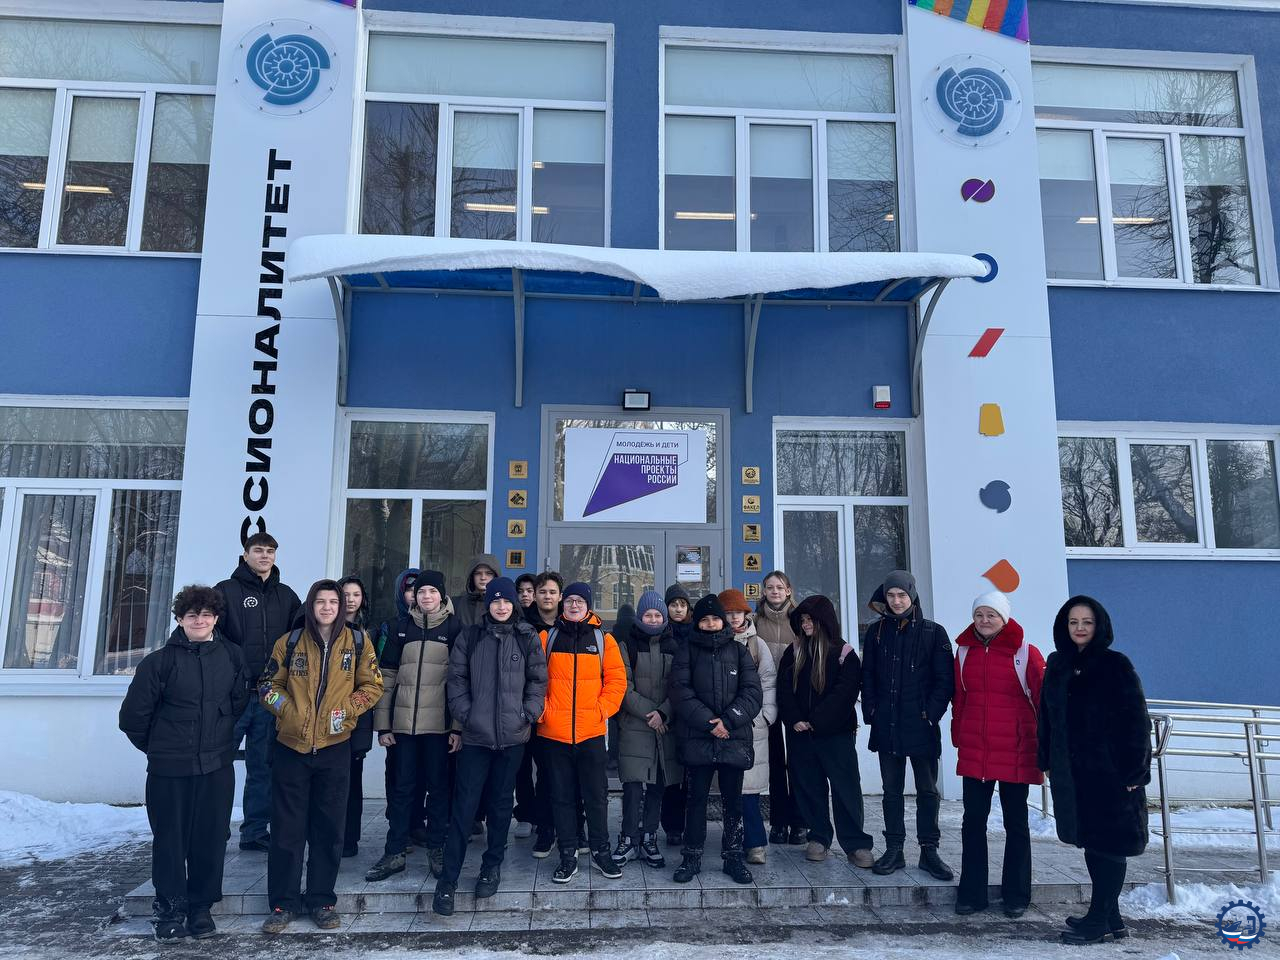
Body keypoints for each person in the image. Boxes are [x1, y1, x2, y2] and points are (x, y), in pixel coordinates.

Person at [119, 585, 251, 942]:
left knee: (211, 838)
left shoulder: (232, 657)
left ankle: (201, 908)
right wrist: (161, 748)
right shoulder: (158, 663)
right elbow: (133, 718)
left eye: (206, 615)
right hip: (169, 770)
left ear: (216, 618)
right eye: (192, 615)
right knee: (170, 841)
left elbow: (238, 703)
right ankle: (169, 909)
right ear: (180, 619)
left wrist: (218, 741)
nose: (200, 621)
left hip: (216, 766)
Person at [258, 580, 382, 933]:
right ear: (311, 605)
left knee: (328, 829)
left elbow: (373, 685)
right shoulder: (289, 642)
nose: (327, 607)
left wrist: (347, 711)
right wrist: (288, 712)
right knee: (287, 829)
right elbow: (267, 686)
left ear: (342, 607)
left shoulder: (358, 642)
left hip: (334, 747)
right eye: (320, 601)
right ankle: (283, 903)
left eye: (333, 602)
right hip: (291, 747)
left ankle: (321, 900)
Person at [432, 578, 548, 916]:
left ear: (515, 604)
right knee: (464, 808)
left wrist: (527, 714)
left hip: (512, 738)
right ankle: (448, 880)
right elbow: (456, 680)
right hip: (476, 737)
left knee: (500, 806)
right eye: (495, 601)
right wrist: (467, 715)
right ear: (488, 604)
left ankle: (491, 866)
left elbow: (538, 681)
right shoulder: (471, 636)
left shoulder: (526, 637)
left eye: (506, 601)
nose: (501, 606)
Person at [1039, 596, 1151, 945]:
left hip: (1111, 772)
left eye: (1087, 622)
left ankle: (1099, 919)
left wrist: (1135, 771)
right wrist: (1046, 759)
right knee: (1091, 841)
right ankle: (1110, 916)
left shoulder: (1115, 665)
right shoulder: (1058, 664)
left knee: (1110, 843)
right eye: (1073, 622)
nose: (1080, 628)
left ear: (1099, 625)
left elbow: (1136, 720)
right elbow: (1047, 718)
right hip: (1072, 774)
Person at [952, 590, 1045, 918]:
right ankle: (971, 894)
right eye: (979, 615)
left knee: (1016, 822)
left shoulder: (1025, 653)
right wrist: (958, 736)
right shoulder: (964, 652)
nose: (984, 620)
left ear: (1004, 618)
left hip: (1016, 750)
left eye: (991, 615)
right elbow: (960, 699)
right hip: (976, 750)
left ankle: (1016, 895)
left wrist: (1046, 746)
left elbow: (1043, 701)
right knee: (972, 822)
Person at [366, 571, 461, 883]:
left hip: (439, 729)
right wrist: (383, 726)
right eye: (421, 592)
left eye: (432, 591)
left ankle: (437, 849)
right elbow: (386, 677)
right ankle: (394, 851)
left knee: (439, 790)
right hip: (403, 727)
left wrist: (457, 728)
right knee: (402, 789)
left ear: (442, 595)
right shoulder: (400, 627)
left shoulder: (454, 628)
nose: (426, 597)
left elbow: (461, 681)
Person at [861, 570, 955, 880]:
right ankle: (895, 849)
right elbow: (867, 675)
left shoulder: (933, 632)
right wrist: (871, 710)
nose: (897, 601)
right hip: (887, 724)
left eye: (902, 595)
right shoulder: (876, 633)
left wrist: (931, 713)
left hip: (921, 725)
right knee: (891, 791)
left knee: (927, 790)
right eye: (891, 595)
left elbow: (945, 680)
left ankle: (929, 850)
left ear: (912, 595)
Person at [215, 532, 301, 853]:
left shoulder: (286, 596)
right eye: (258, 550)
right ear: (245, 554)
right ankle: (215, 829)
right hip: (234, 696)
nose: (265, 556)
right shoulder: (225, 591)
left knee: (262, 766)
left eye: (270, 551)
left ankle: (254, 831)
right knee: (218, 764)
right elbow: (214, 636)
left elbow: (298, 640)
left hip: (270, 696)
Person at [669, 594, 763, 885]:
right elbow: (680, 692)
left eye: (715, 619)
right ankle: (692, 856)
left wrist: (728, 721)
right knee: (696, 800)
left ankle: (733, 857)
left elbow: (752, 692)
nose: (710, 624)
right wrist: (710, 723)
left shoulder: (739, 651)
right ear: (697, 623)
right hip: (698, 737)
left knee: (733, 801)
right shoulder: (686, 651)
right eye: (705, 620)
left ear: (723, 621)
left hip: (734, 737)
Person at [538, 582, 628, 883]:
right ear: (562, 604)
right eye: (570, 600)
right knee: (561, 797)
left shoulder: (603, 640)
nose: (574, 605)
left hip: (591, 734)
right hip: (554, 734)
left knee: (596, 796)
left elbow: (617, 681)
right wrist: (544, 712)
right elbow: (533, 680)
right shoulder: (547, 638)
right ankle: (568, 854)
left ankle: (601, 851)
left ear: (589, 605)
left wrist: (600, 711)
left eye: (580, 601)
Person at [777, 595, 876, 868]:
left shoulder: (844, 653)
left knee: (846, 789)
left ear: (824, 621)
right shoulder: (793, 651)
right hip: (800, 734)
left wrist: (816, 720)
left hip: (836, 734)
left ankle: (856, 844)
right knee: (809, 787)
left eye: (810, 620)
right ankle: (818, 837)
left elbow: (845, 693)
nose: (806, 625)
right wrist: (795, 719)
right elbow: (783, 689)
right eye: (802, 620)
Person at [613, 590, 680, 868]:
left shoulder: (674, 646)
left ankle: (650, 837)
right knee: (632, 786)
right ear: (640, 617)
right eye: (648, 615)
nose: (653, 619)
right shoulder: (626, 644)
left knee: (657, 786)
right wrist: (651, 713)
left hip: (665, 726)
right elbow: (623, 686)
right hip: (635, 725)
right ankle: (629, 838)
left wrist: (664, 712)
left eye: (657, 615)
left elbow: (681, 686)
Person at [522, 571, 582, 855]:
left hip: (565, 712)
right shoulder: (523, 625)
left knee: (572, 774)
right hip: (532, 711)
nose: (547, 596)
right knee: (544, 774)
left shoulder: (570, 624)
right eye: (542, 591)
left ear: (560, 596)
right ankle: (545, 828)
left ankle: (576, 828)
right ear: (534, 595)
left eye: (552, 592)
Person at [719, 588, 776, 865]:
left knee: (749, 789)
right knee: (729, 788)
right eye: (728, 613)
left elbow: (768, 681)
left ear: (746, 614)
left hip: (751, 725)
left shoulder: (756, 644)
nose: (733, 618)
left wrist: (765, 716)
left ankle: (755, 843)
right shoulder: (713, 640)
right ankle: (731, 839)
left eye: (737, 613)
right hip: (722, 726)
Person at [754, 570, 806, 846]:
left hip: (794, 699)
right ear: (764, 591)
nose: (775, 591)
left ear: (788, 591)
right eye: (770, 587)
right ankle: (778, 822)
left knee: (797, 761)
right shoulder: (755, 621)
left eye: (779, 587)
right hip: (766, 700)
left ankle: (799, 822)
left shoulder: (800, 620)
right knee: (774, 762)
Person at [338, 575, 373, 857]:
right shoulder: (321, 630)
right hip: (324, 721)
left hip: (356, 716)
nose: (350, 600)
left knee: (352, 781)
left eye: (356, 594)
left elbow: (371, 684)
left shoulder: (367, 634)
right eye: (345, 594)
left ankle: (349, 839)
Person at [661, 583, 694, 847]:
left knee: (691, 775)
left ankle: (690, 826)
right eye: (673, 604)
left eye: (682, 604)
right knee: (671, 774)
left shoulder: (697, 633)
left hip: (692, 713)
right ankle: (672, 826)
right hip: (667, 711)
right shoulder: (660, 634)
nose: (678, 609)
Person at [607, 602, 635, 775]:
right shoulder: (636, 636)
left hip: (612, 686)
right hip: (631, 688)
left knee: (613, 726)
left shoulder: (611, 636)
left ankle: (612, 758)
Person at [452, 553, 502, 627]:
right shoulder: (457, 603)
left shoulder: (504, 604)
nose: (483, 578)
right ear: (472, 576)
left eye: (489, 573)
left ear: (495, 576)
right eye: (478, 573)